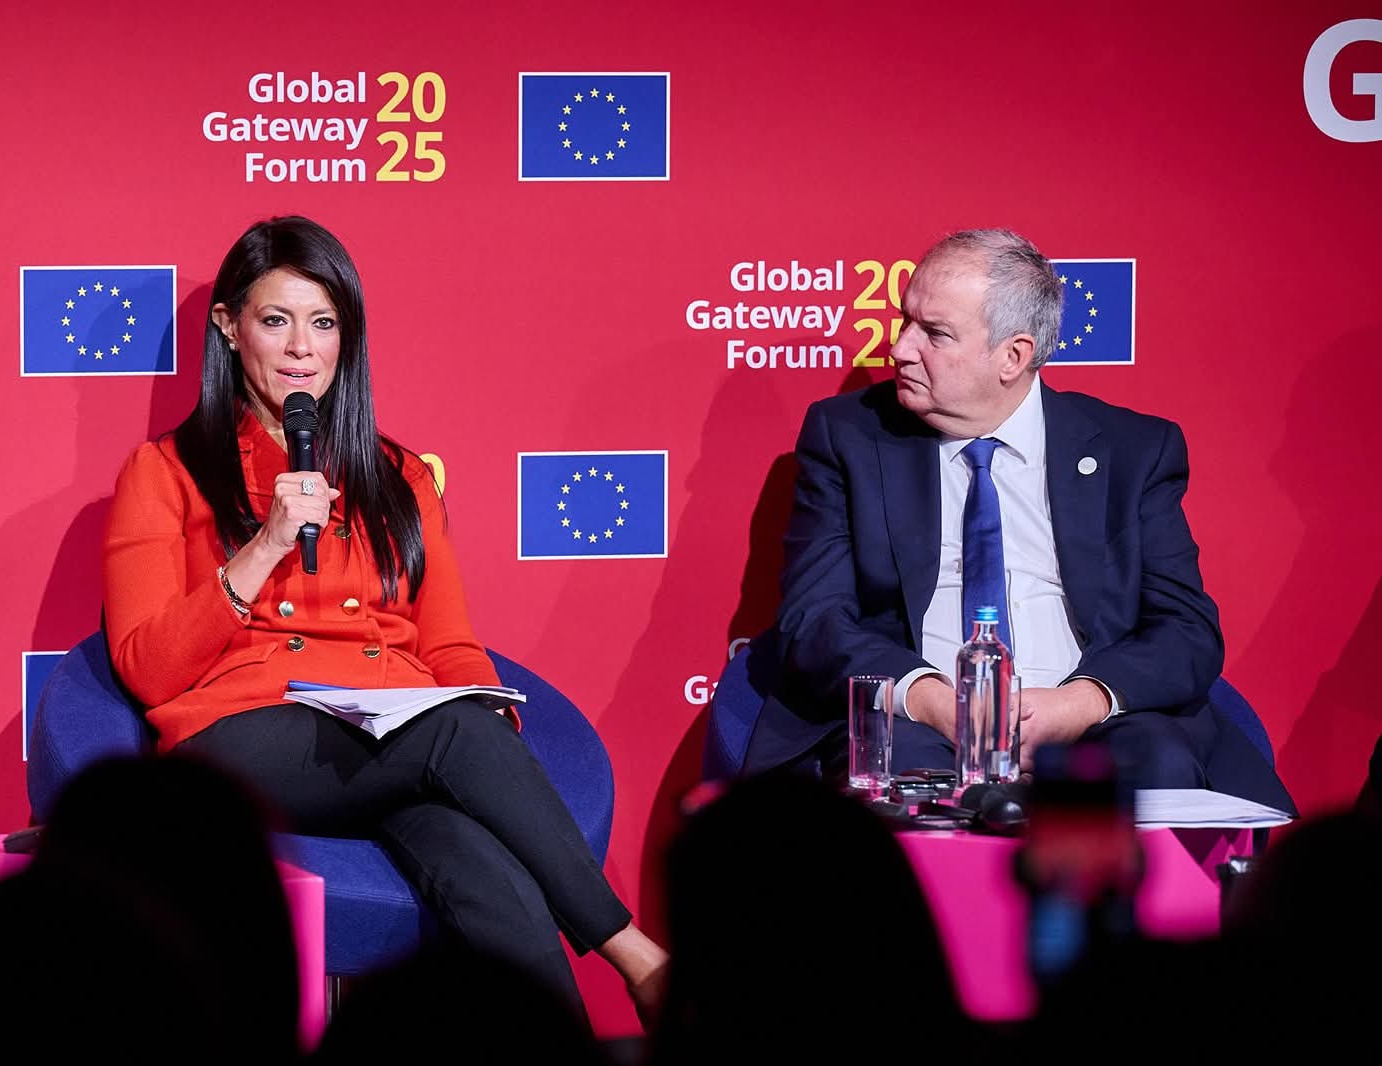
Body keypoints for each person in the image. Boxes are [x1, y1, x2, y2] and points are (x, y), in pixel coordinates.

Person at [101, 215, 669, 1020]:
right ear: (229, 327)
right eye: (276, 320)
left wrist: (486, 739)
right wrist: (264, 547)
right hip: (242, 738)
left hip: (388, 736)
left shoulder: (400, 477)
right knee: (452, 733)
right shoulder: (163, 471)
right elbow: (148, 669)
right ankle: (638, 956)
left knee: (481, 865)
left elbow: (450, 644)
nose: (302, 348)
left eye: (324, 323)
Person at [745, 228, 1293, 812]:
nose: (900, 349)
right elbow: (815, 618)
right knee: (905, 783)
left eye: (935, 333)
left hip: (1092, 721)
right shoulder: (849, 437)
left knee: (1157, 765)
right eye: (906, 322)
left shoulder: (1133, 450)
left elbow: (1186, 628)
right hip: (922, 725)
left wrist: (1080, 703)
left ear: (1013, 356)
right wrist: (934, 700)